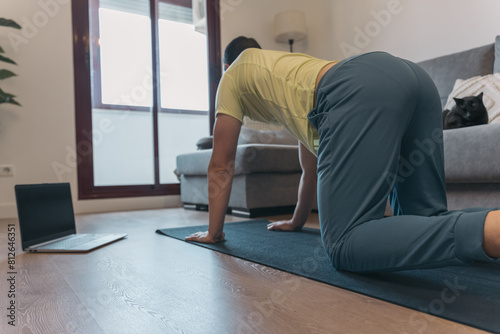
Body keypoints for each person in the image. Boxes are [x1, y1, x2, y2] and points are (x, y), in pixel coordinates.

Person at [185, 36, 500, 272]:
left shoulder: (232, 76)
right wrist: (297, 220)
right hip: (417, 80)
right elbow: (311, 165)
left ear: (227, 65)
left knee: (345, 242)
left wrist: (214, 233)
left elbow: (221, 163)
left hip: (363, 86)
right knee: (425, 219)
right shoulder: (284, 71)